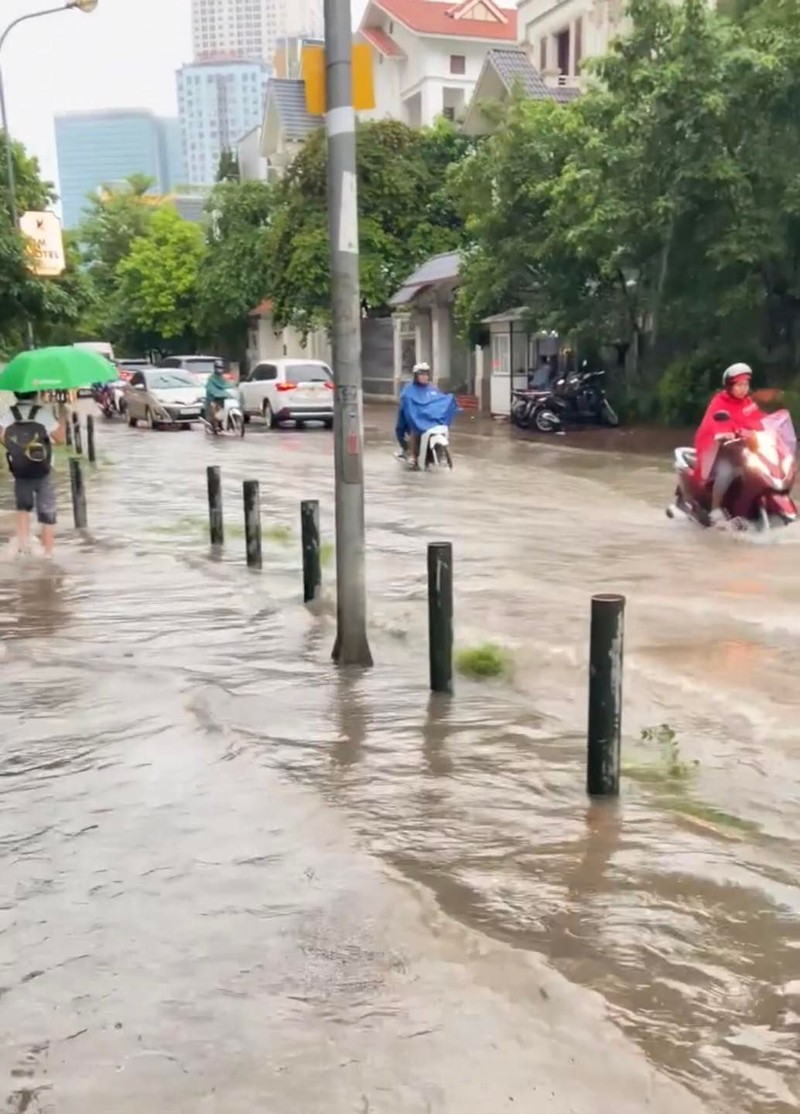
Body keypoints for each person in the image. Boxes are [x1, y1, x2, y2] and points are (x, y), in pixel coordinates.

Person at [693, 362, 765, 524]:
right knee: (727, 472)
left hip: (744, 449)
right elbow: (716, 422)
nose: (743, 389)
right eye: (738, 385)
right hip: (720, 450)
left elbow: (760, 420)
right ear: (729, 386)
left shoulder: (748, 403)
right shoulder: (719, 401)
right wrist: (727, 433)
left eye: (745, 384)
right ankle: (715, 509)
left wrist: (771, 429)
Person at [0, 390, 63, 557]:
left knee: (23, 509)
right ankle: (48, 554)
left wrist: (16, 449)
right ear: (35, 395)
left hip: (20, 471)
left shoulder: (9, 414)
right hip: (43, 469)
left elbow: (1, 435)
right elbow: (60, 438)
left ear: (15, 395)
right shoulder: (43, 414)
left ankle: (23, 549)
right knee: (47, 511)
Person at [395, 362, 458, 469]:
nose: (424, 377)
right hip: (415, 421)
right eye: (421, 374)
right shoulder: (409, 390)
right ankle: (413, 456)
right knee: (415, 432)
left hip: (431, 422)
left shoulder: (432, 389)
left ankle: (439, 455)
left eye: (426, 374)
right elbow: (408, 405)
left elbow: (439, 402)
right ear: (416, 376)